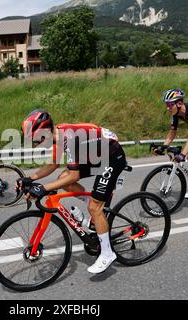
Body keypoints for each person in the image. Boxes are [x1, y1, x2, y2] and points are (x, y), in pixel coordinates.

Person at [18, 109, 127, 274]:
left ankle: (107, 253)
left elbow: (74, 176)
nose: (34, 144)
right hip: (96, 154)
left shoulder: (70, 138)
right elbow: (53, 164)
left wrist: (44, 188)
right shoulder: (58, 137)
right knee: (63, 177)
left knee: (94, 207)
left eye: (35, 139)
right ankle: (93, 208)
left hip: (112, 158)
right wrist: (30, 179)